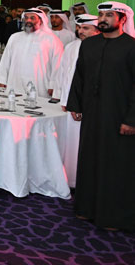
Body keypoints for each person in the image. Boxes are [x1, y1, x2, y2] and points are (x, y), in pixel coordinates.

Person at [67, 1, 135, 232]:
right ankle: (86, 208)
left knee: (114, 164)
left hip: (118, 117)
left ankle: (113, 216)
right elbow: (79, 75)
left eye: (109, 15)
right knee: (89, 158)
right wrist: (75, 103)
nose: (103, 19)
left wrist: (131, 120)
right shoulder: (89, 45)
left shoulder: (131, 47)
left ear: (122, 19)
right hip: (92, 113)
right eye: (101, 15)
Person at [56, 14, 100, 187]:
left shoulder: (100, 48)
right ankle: (70, 179)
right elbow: (63, 73)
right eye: (79, 28)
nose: (80, 31)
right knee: (70, 141)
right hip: (70, 101)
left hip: (89, 104)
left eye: (86, 28)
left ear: (97, 30)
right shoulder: (71, 46)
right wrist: (62, 97)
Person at [0, 8, 63, 97]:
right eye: (26, 18)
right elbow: (5, 60)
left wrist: (53, 84)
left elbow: (58, 64)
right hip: (15, 84)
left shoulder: (52, 39)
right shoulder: (14, 37)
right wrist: (1, 80)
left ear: (41, 21)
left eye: (32, 18)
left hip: (40, 86)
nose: (28, 21)